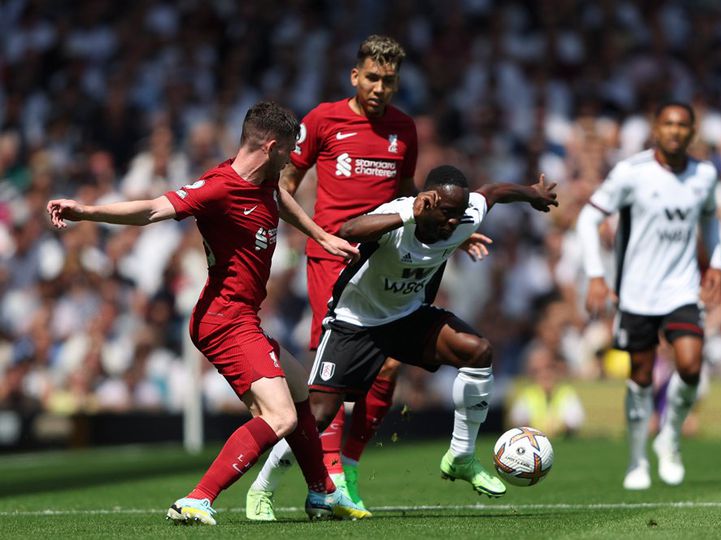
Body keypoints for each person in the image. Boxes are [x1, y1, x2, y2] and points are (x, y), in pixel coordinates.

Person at [47, 101, 370, 525]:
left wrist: (321, 236)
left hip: (242, 318)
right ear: (271, 146)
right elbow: (152, 209)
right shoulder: (219, 187)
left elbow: (280, 197)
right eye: (290, 149)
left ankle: (321, 494)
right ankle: (196, 499)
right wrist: (87, 212)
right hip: (224, 320)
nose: (294, 158)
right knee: (280, 416)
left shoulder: (266, 180)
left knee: (299, 393)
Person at [248, 35, 488, 518]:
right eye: (372, 78)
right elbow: (285, 185)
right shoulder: (323, 120)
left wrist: (449, 235)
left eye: (389, 80)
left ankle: (347, 470)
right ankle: (328, 475)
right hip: (333, 257)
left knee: (390, 367)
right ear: (355, 76)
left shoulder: (404, 129)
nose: (380, 88)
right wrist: (306, 235)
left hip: (386, 259)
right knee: (326, 381)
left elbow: (409, 194)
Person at [253, 165, 558, 505]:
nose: (454, 222)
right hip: (355, 321)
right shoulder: (399, 214)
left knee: (478, 351)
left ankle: (460, 457)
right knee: (320, 414)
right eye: (446, 213)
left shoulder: (466, 216)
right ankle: (263, 488)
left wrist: (532, 194)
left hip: (406, 316)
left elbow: (493, 191)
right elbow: (349, 229)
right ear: (426, 202)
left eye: (459, 214)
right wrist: (409, 214)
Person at [576, 101, 721, 490]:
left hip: (681, 288)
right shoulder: (631, 173)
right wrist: (596, 275)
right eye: (668, 124)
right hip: (636, 293)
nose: (675, 131)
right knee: (640, 377)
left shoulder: (704, 175)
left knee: (691, 366)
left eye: (682, 125)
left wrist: (717, 263)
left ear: (692, 133)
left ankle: (670, 438)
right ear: (655, 129)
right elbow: (589, 218)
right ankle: (637, 459)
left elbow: (710, 219)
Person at [504, 343, 585, 438]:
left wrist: (558, 429)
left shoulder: (566, 392)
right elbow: (516, 421)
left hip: (563, 441)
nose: (545, 375)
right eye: (539, 371)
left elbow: (575, 423)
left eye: (549, 369)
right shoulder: (528, 394)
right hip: (534, 441)